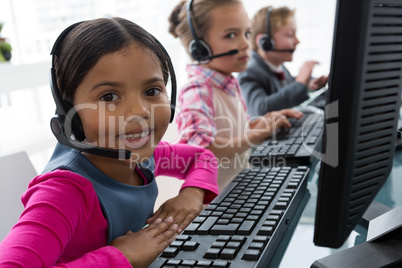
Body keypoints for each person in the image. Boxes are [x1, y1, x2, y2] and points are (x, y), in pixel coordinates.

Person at [0, 17, 219, 268]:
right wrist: (120, 257)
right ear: (70, 112)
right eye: (109, 96)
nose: (139, 111)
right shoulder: (63, 192)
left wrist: (192, 194)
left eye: (152, 91)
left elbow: (202, 157)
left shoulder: (142, 157)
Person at [168, 0, 302, 191]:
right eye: (231, 35)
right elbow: (202, 150)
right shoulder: (198, 89)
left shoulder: (228, 83)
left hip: (239, 191)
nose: (245, 43)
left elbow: (235, 133)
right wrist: (255, 136)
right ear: (199, 48)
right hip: (216, 206)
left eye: (247, 33)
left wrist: (265, 122)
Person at [238, 6, 329, 116]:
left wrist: (307, 85)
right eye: (290, 35)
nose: (297, 41)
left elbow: (285, 88)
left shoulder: (278, 66)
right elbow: (260, 110)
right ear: (265, 42)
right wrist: (299, 84)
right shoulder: (249, 72)